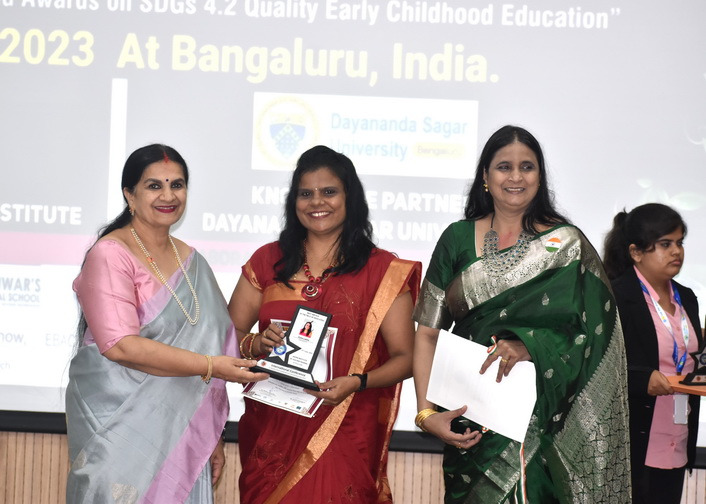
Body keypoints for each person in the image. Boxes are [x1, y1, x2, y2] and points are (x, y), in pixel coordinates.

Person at [412, 125, 632, 503]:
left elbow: (596, 336)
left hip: (542, 425)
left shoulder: (566, 244)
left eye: (527, 167)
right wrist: (425, 414)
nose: (516, 177)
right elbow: (428, 334)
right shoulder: (456, 238)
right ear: (485, 176)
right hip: (470, 426)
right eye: (504, 167)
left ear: (540, 177)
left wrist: (532, 346)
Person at [65, 144, 268, 503]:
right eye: (154, 186)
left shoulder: (193, 261)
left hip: (182, 433)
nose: (168, 195)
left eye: (177, 184)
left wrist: (210, 436)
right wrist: (211, 366)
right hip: (119, 433)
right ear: (130, 194)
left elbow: (216, 339)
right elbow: (121, 346)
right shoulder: (110, 254)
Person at [228, 145, 421, 503]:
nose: (317, 202)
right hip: (271, 433)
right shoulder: (267, 261)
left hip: (343, 426)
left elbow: (406, 357)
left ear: (350, 197)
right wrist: (256, 344)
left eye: (329, 191)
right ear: (294, 201)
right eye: (306, 194)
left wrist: (357, 382)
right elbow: (227, 335)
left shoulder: (382, 271)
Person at [604, 203, 701, 504]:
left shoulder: (688, 297)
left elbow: (693, 356)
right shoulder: (616, 296)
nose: (676, 252)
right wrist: (642, 379)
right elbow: (598, 367)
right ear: (636, 252)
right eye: (665, 244)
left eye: (680, 242)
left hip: (679, 438)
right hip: (634, 443)